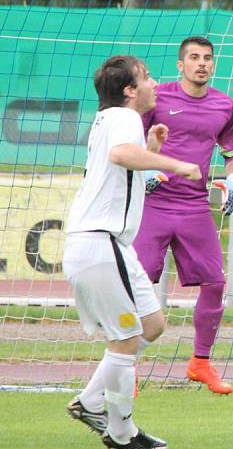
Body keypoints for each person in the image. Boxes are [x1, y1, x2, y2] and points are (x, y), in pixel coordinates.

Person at [63, 55, 201, 448]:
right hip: (100, 243)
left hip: (108, 245)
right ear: (129, 90)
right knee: (125, 340)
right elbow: (121, 156)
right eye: (146, 78)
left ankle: (90, 402)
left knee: (152, 325)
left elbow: (123, 171)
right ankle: (123, 435)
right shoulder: (123, 118)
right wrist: (177, 163)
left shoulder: (111, 121)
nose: (154, 83)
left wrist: (151, 150)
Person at [133, 36, 233, 395]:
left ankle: (200, 363)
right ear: (180, 64)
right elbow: (129, 139)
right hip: (153, 205)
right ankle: (126, 366)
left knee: (215, 283)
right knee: (136, 284)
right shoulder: (156, 97)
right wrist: (144, 171)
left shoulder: (225, 106)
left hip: (195, 206)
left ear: (213, 65)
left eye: (207, 59)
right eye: (194, 58)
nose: (202, 64)